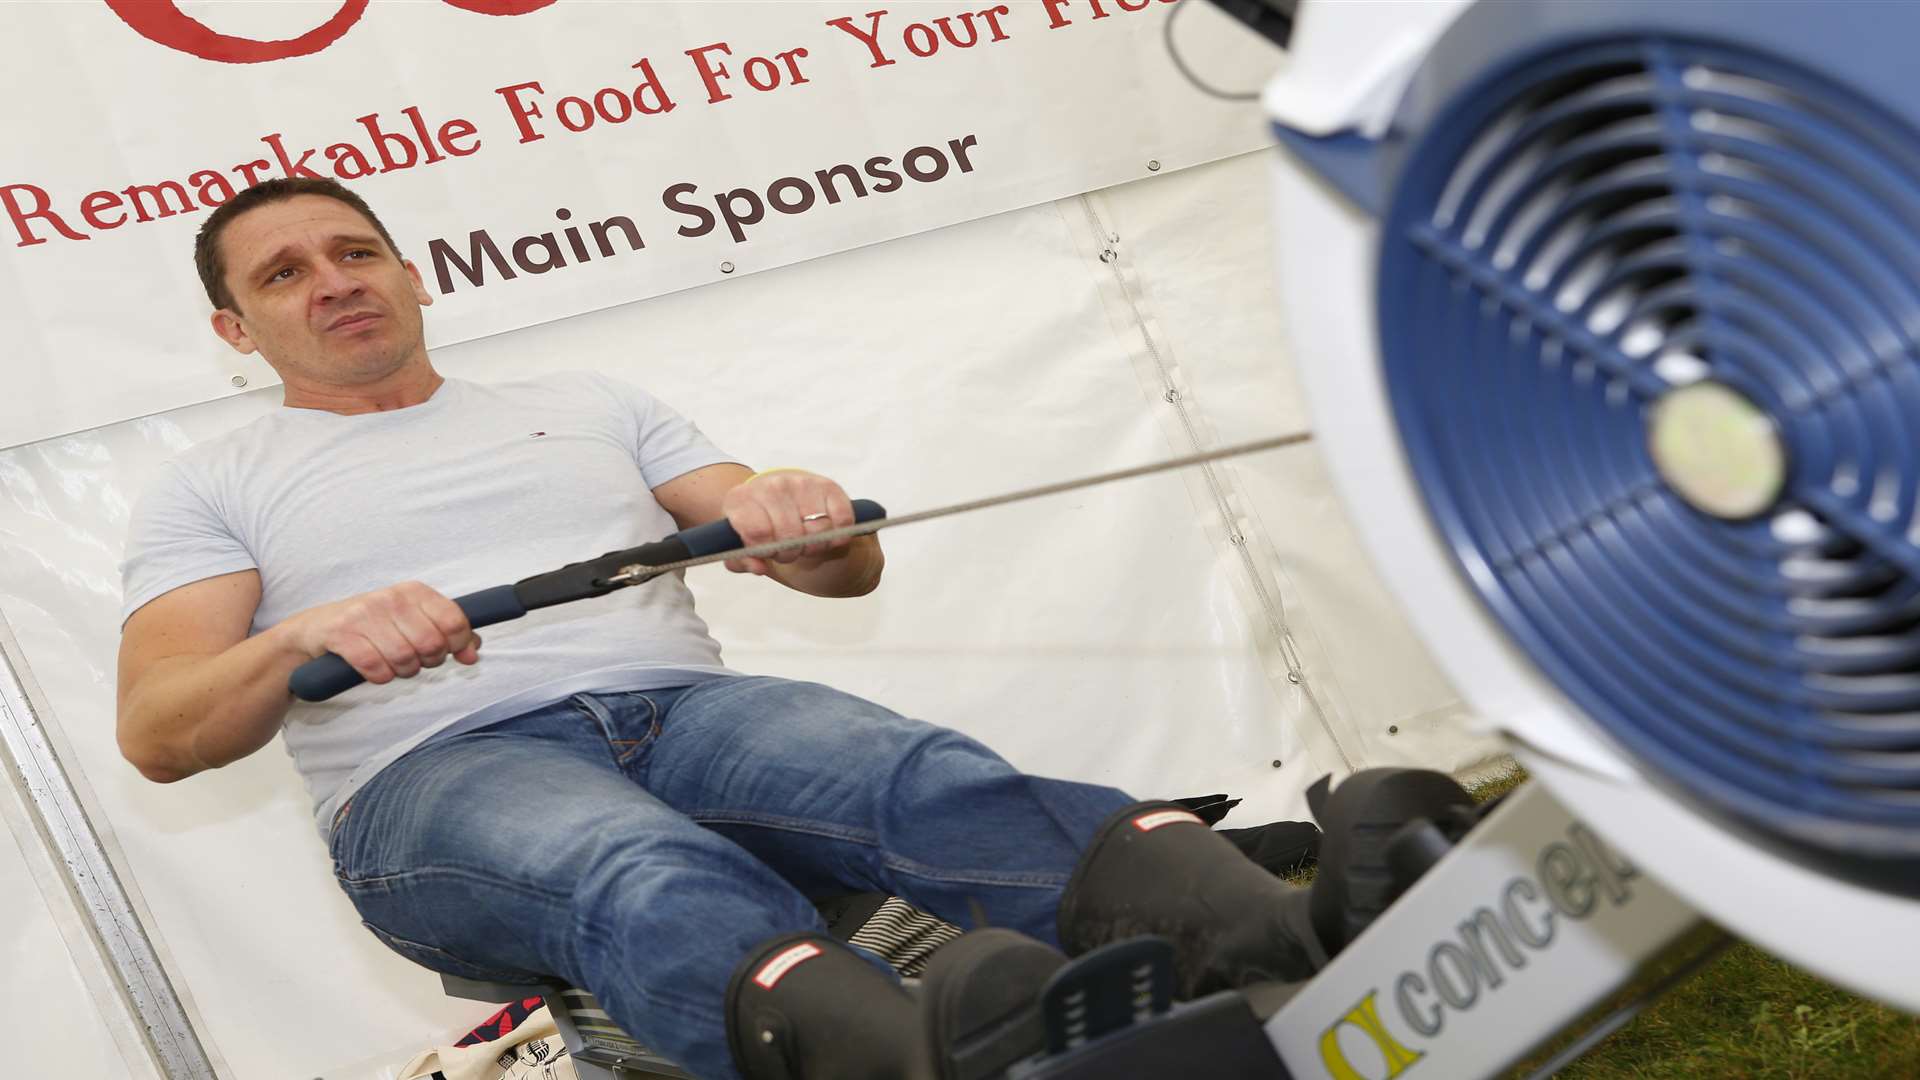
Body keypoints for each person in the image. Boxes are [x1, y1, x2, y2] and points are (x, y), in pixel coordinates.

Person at [116, 177, 1457, 1080]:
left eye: (355, 252)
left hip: (685, 715)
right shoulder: (214, 485)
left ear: (414, 277)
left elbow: (832, 570)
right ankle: (920, 1058)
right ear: (238, 328)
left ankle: (1295, 940)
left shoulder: (592, 402)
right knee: (626, 859)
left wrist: (801, 517)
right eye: (285, 274)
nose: (333, 281)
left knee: (910, 773)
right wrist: (298, 642)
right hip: (434, 783)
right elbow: (163, 733)